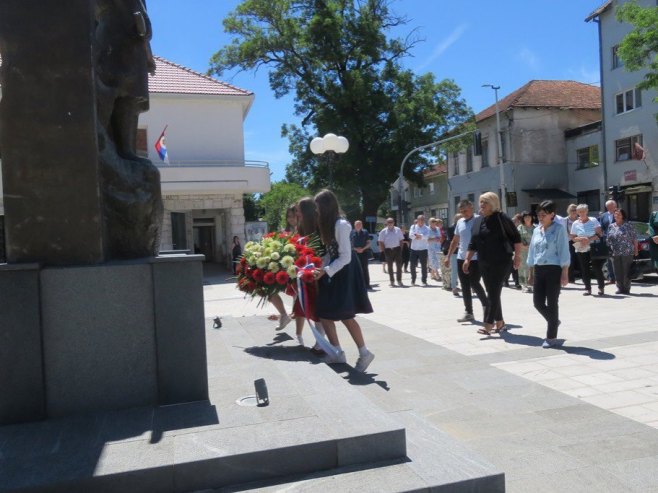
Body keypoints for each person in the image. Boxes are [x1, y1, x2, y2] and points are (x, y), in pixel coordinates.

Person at [313, 190, 375, 373]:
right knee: (324, 313)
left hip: (344, 273)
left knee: (346, 315)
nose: (316, 211)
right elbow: (330, 253)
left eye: (317, 207)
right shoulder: (329, 225)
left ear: (325, 207)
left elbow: (346, 256)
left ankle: (364, 353)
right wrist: (319, 267)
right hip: (335, 272)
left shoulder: (341, 224)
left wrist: (325, 271)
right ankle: (337, 352)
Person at [463, 192, 522, 336]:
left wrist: (518, 257)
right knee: (492, 293)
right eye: (481, 202)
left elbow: (516, 238)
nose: (482, 205)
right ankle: (500, 322)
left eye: (486, 202)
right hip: (483, 261)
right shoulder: (478, 221)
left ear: (493, 204)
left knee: (494, 292)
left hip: (501, 261)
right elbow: (473, 242)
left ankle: (488, 324)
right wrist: (467, 259)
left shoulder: (502, 218)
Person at [526, 200, 571, 348]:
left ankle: (551, 336)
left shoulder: (558, 229)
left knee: (552, 303)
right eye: (538, 214)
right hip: (539, 269)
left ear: (552, 215)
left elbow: (564, 251)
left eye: (543, 215)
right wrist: (531, 272)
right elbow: (532, 252)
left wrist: (565, 272)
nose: (540, 217)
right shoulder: (537, 230)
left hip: (554, 269)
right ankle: (553, 320)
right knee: (537, 303)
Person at [444, 200, 488, 322]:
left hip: (476, 258)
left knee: (474, 282)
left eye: (466, 210)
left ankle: (486, 307)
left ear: (472, 207)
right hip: (461, 257)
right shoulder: (460, 222)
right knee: (464, 285)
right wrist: (448, 255)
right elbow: (455, 240)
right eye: (461, 211)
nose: (464, 213)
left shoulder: (480, 220)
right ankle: (469, 312)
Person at [291, 197, 325, 349]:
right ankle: (318, 341)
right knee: (308, 306)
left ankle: (321, 342)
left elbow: (322, 251)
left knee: (318, 307)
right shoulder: (302, 227)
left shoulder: (319, 228)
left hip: (318, 272)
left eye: (298, 210)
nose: (296, 213)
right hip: (304, 273)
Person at [570, 204, 605, 296]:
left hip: (594, 247)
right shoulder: (575, 223)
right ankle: (587, 288)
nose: (582, 213)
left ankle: (601, 287)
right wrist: (581, 239)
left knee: (596, 268)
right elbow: (573, 237)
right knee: (584, 269)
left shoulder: (593, 220)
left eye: (583, 211)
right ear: (577, 212)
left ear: (587, 211)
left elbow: (599, 234)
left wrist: (588, 239)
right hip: (581, 248)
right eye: (580, 212)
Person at [606, 208, 638, 295]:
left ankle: (626, 288)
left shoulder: (629, 225)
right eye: (615, 214)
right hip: (615, 252)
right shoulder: (611, 226)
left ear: (623, 215)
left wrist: (636, 250)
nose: (617, 215)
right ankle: (620, 288)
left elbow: (634, 238)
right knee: (617, 271)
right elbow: (608, 239)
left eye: (619, 214)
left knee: (626, 270)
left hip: (627, 251)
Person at [378, 217, 404, 287]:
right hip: (388, 250)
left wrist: (400, 249)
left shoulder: (398, 230)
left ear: (393, 223)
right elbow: (380, 241)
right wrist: (383, 250)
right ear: (386, 223)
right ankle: (392, 281)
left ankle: (399, 280)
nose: (390, 223)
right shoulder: (383, 231)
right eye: (388, 222)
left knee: (399, 266)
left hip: (397, 249)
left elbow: (401, 240)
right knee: (390, 266)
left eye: (391, 222)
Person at [443, 213, 462, 296]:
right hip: (454, 251)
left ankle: (469, 286)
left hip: (463, 251)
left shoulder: (464, 226)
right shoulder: (451, 228)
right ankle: (454, 287)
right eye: (460, 218)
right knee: (455, 270)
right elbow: (451, 240)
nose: (461, 220)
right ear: (456, 219)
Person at [599, 199, 617, 284]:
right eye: (608, 207)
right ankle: (611, 278)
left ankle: (619, 277)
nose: (610, 208)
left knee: (617, 259)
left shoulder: (619, 213)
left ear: (615, 206)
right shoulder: (603, 216)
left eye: (611, 206)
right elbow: (601, 228)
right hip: (607, 240)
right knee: (609, 259)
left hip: (617, 240)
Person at [409, 215, 430, 285]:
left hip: (423, 249)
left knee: (424, 266)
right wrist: (419, 236)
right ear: (417, 220)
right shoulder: (413, 227)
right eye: (420, 219)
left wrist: (419, 236)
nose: (421, 221)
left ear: (424, 220)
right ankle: (413, 280)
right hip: (414, 249)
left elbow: (427, 236)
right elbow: (410, 235)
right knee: (412, 265)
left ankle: (424, 280)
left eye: (422, 220)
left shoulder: (427, 228)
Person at [350, 220, 372, 290]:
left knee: (365, 269)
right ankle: (356, 285)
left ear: (362, 225)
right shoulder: (351, 233)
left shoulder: (365, 232)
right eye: (357, 224)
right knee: (354, 269)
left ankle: (367, 284)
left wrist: (363, 249)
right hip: (354, 253)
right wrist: (356, 249)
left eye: (360, 224)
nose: (358, 225)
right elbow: (348, 244)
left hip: (364, 252)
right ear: (354, 225)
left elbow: (368, 243)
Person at [517, 211, 535, 293]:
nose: (527, 218)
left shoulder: (536, 227)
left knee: (533, 267)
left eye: (529, 217)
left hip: (534, 250)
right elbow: (516, 239)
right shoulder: (520, 227)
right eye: (525, 217)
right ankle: (524, 285)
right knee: (523, 267)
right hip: (523, 250)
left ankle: (532, 284)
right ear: (523, 218)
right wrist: (523, 245)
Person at [504, 214, 523, 290]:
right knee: (509, 267)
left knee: (515, 267)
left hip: (515, 249)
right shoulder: (507, 227)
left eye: (516, 220)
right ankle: (505, 280)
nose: (515, 222)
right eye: (514, 220)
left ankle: (517, 282)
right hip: (508, 250)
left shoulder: (519, 228)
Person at [565, 204, 579, 283]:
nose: (574, 212)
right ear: (568, 211)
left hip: (578, 240)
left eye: (575, 210)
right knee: (570, 259)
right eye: (572, 210)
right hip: (568, 241)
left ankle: (582, 277)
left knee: (580, 259)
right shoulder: (565, 220)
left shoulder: (579, 220)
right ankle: (571, 278)